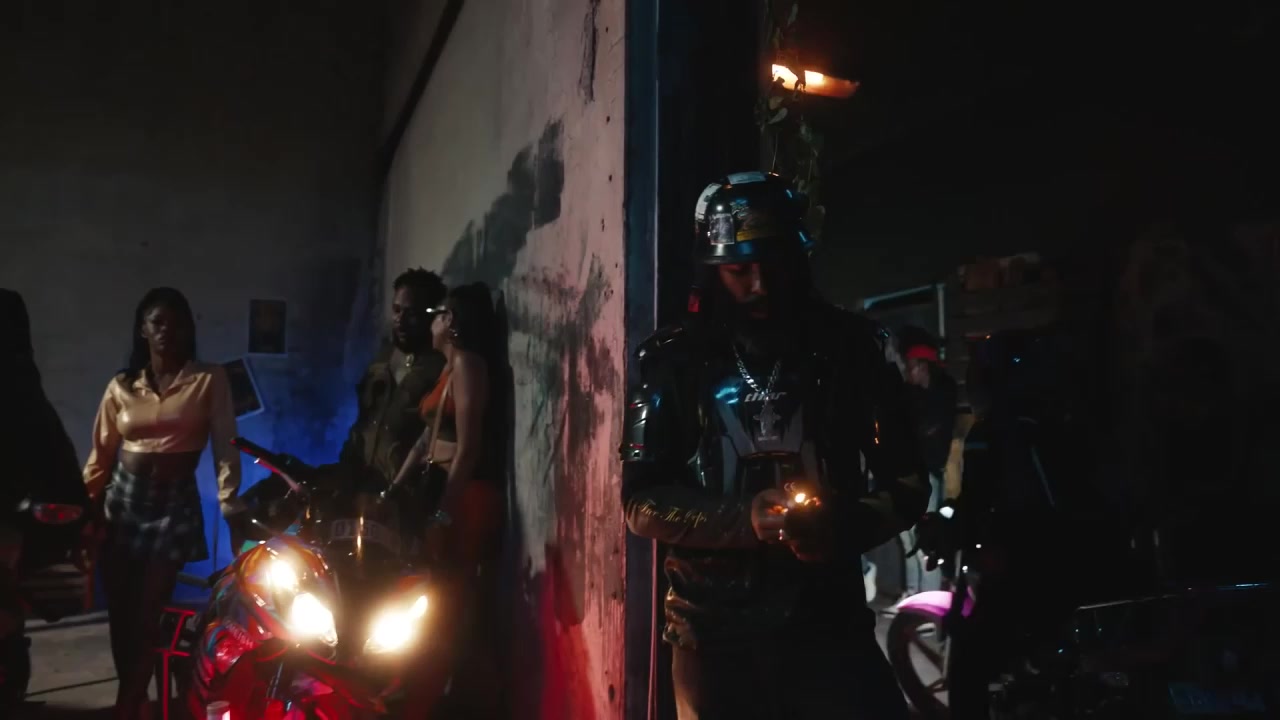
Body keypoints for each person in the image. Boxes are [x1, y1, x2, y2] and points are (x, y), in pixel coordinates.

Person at [620, 172, 928, 719]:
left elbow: (907, 483)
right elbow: (640, 503)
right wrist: (744, 519)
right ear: (714, 269)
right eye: (740, 270)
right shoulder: (671, 361)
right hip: (710, 634)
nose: (760, 285)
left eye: (774, 263)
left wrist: (840, 525)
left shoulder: (851, 349)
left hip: (829, 626)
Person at [81, 287, 241, 719]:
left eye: (177, 322)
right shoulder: (122, 385)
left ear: (190, 329)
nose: (167, 330)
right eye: (158, 322)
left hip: (173, 503)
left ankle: (126, 705)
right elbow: (102, 451)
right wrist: (86, 504)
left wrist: (229, 499)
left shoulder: (208, 379)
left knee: (148, 611)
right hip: (123, 502)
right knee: (121, 612)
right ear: (143, 330)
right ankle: (136, 699)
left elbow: (225, 444)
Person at [393, 282, 505, 718]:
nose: (432, 322)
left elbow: (469, 447)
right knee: (437, 594)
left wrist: (444, 511)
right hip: (445, 490)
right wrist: (395, 488)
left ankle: (450, 698)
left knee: (452, 598)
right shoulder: (449, 368)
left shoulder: (469, 366)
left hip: (466, 496)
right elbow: (428, 438)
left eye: (438, 314)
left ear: (453, 322)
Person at [338, 268, 448, 487]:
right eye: (397, 310)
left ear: (431, 316)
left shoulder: (439, 369)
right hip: (361, 484)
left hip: (404, 491)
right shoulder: (383, 359)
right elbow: (364, 423)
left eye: (412, 313)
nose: (400, 320)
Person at [898, 333, 957, 595]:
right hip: (906, 473)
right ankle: (913, 593)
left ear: (923, 367)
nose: (907, 371)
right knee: (907, 538)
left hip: (927, 474)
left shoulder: (943, 391)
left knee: (926, 537)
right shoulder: (909, 394)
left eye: (910, 366)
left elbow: (929, 430)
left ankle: (928, 596)